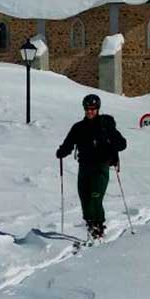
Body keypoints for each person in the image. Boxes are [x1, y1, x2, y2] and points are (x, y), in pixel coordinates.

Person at [56, 94, 127, 240]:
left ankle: (99, 226)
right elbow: (69, 143)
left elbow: (121, 143)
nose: (90, 111)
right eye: (88, 109)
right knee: (84, 197)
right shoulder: (79, 127)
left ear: (98, 109)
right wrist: (62, 152)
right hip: (84, 167)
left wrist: (114, 144)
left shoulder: (105, 125)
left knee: (95, 196)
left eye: (93, 109)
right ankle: (90, 224)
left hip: (101, 166)